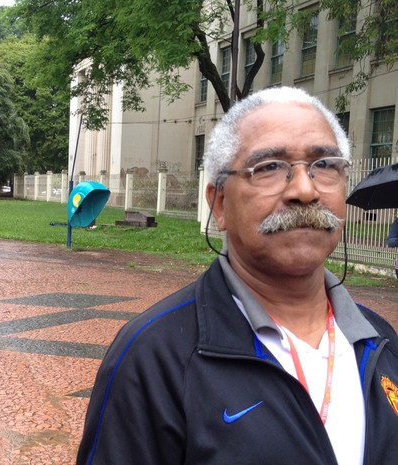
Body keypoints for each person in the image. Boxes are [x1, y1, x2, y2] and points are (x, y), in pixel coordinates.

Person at [76, 87, 398, 465]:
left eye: (324, 165)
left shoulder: (381, 343)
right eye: (270, 167)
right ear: (220, 203)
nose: (305, 190)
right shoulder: (152, 358)